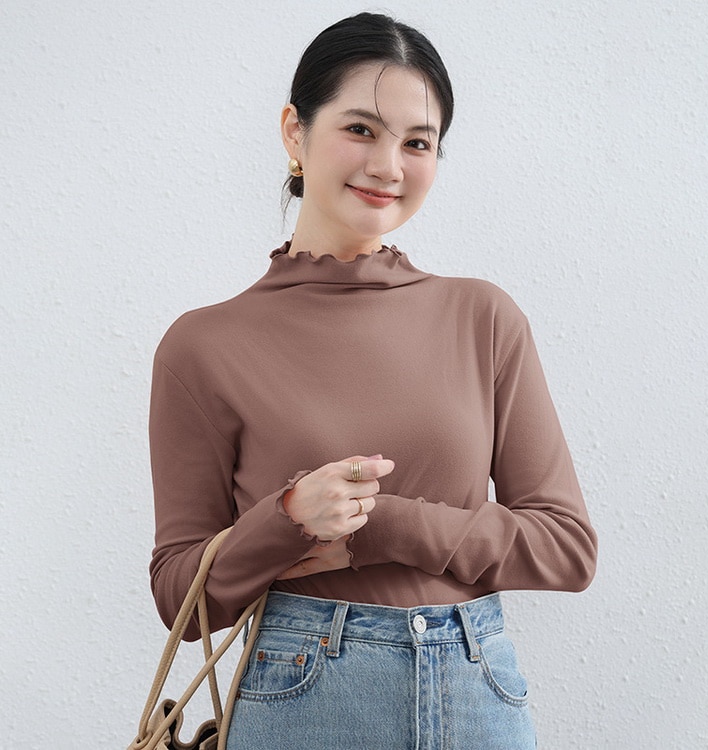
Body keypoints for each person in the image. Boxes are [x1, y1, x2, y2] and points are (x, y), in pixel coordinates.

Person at [147, 12, 597, 749]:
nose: (389, 165)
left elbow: (566, 547)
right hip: (303, 699)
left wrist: (382, 528)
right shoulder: (204, 345)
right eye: (361, 129)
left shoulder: (482, 317)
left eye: (418, 142)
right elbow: (181, 600)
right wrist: (287, 516)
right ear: (295, 132)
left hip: (475, 696)